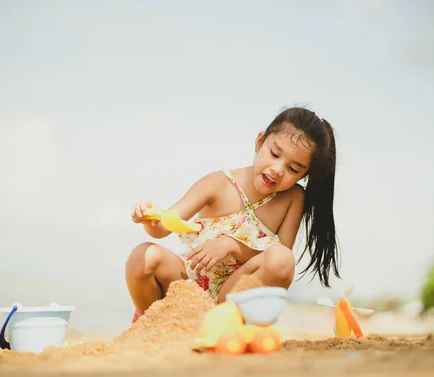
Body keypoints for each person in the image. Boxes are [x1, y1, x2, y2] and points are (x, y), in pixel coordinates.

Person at [126, 106, 340, 323]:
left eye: (293, 169)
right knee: (143, 256)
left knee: (283, 258)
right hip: (188, 280)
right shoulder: (219, 183)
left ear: (304, 175)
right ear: (259, 142)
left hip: (235, 295)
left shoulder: (293, 198)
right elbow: (163, 226)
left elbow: (279, 259)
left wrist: (232, 245)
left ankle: (228, 324)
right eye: (274, 154)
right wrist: (149, 218)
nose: (277, 169)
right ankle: (152, 321)